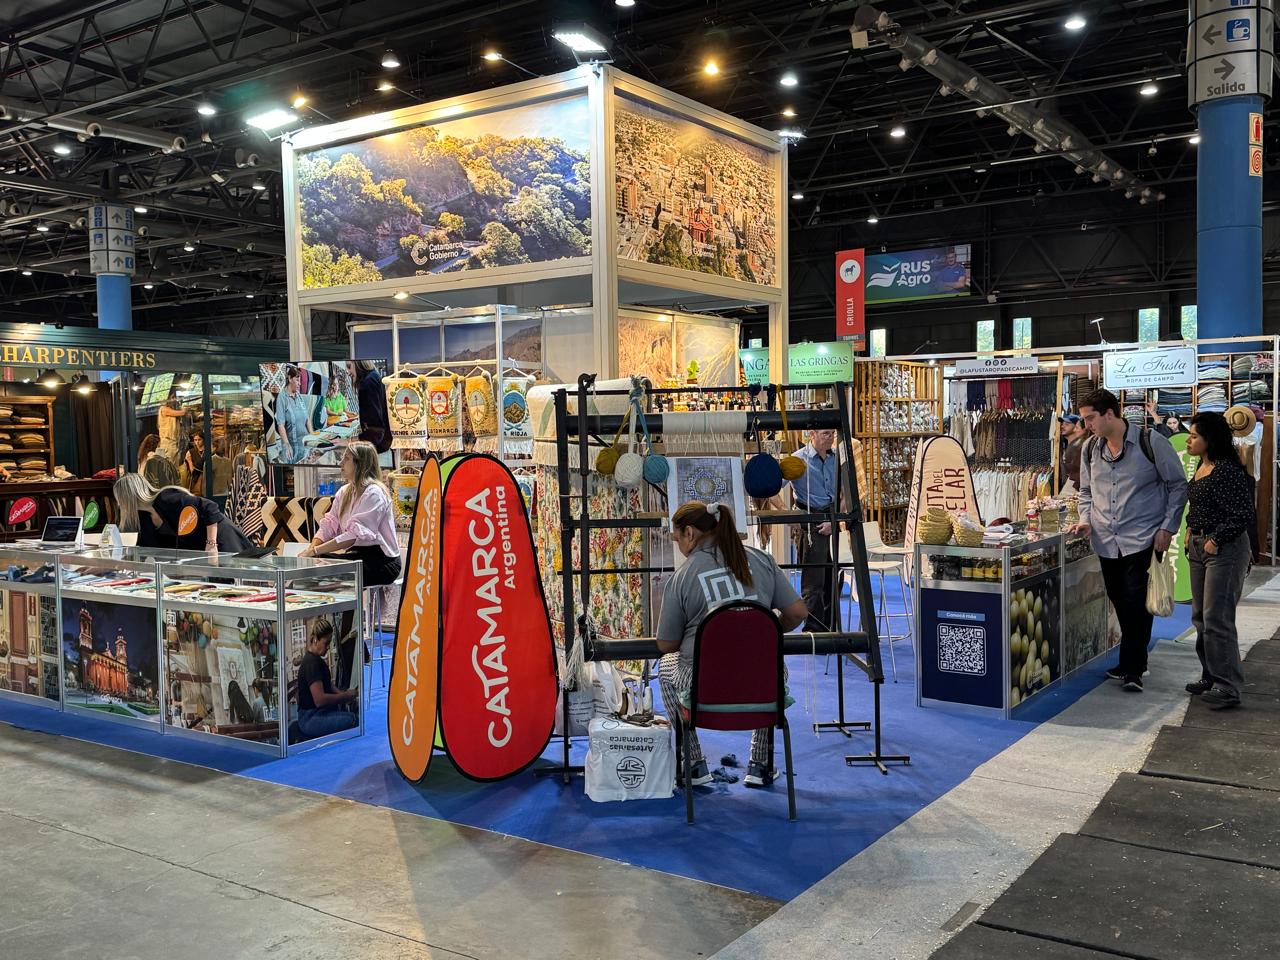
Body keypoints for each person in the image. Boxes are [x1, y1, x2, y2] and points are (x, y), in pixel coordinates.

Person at [656, 501, 808, 788]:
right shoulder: (762, 560)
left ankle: (693, 763)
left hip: (704, 690)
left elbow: (666, 644)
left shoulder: (682, 577)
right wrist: (767, 635)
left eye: (677, 539)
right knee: (773, 666)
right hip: (761, 687)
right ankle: (761, 763)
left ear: (689, 533)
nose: (679, 545)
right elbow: (798, 613)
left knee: (665, 667)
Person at [1072, 388, 1188, 692]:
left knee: (1136, 602)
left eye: (1090, 418)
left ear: (1109, 413)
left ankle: (1133, 667)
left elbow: (1178, 485)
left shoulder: (1151, 442)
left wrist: (1168, 527)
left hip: (1142, 537)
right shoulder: (1090, 449)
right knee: (1119, 599)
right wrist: (1085, 519)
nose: (1086, 425)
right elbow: (1086, 491)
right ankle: (1133, 660)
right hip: (1105, 539)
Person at [1184, 412, 1254, 710]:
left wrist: (1215, 539)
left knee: (1217, 617)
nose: (1188, 441)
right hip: (1200, 546)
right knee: (1201, 617)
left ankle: (1228, 686)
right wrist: (1190, 529)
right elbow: (1199, 505)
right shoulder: (1203, 465)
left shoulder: (1226, 470)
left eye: (1194, 436)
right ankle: (1211, 675)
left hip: (1223, 549)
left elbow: (1242, 513)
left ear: (1209, 439)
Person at [300, 440, 402, 587]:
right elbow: (329, 525)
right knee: (315, 563)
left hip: (382, 561)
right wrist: (311, 551)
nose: (341, 462)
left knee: (323, 570)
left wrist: (315, 550)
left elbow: (353, 536)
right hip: (357, 556)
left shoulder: (374, 493)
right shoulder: (344, 492)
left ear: (360, 464)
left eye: (346, 458)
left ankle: (336, 601)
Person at [113, 473, 253, 553]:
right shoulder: (143, 518)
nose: (119, 504)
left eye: (120, 499)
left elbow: (209, 507)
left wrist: (211, 544)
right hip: (199, 549)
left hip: (221, 538)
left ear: (129, 497)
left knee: (237, 580)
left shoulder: (166, 498)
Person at [791, 427, 840, 632]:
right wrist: (789, 513)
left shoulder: (837, 458)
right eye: (825, 434)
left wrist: (835, 521)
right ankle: (813, 630)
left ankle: (830, 627)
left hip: (833, 520)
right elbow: (772, 487)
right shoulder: (797, 459)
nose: (830, 438)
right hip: (812, 523)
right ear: (812, 435)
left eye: (832, 434)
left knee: (833, 579)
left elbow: (846, 493)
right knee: (813, 581)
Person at [295, 617, 358, 739]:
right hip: (310, 718)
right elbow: (320, 700)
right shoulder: (311, 663)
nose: (328, 647)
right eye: (326, 643)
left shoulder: (316, 660)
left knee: (348, 715)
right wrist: (345, 696)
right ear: (315, 640)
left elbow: (328, 684)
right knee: (353, 720)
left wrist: (344, 696)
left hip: (315, 713)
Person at [349, 360, 391, 454]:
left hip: (377, 444)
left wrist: (351, 440)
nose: (348, 372)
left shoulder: (368, 382)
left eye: (349, 366)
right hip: (382, 442)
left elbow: (375, 431)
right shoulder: (374, 377)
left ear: (359, 364)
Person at [274, 365, 310, 464]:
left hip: (304, 446)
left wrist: (312, 437)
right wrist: (286, 444)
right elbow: (280, 424)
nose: (299, 383)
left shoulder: (299, 397)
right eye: (297, 380)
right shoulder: (282, 397)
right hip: (291, 447)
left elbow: (307, 419)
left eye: (300, 381)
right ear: (290, 378)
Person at [156, 387, 187, 461]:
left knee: (174, 465)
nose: (174, 400)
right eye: (172, 397)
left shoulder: (170, 409)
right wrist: (185, 408)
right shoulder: (163, 409)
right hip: (167, 442)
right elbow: (182, 413)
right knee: (169, 464)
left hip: (173, 442)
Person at [1058, 413, 1085, 489]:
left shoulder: (1079, 447)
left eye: (1067, 424)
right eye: (1062, 424)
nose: (1062, 426)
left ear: (1076, 426)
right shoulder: (1068, 446)